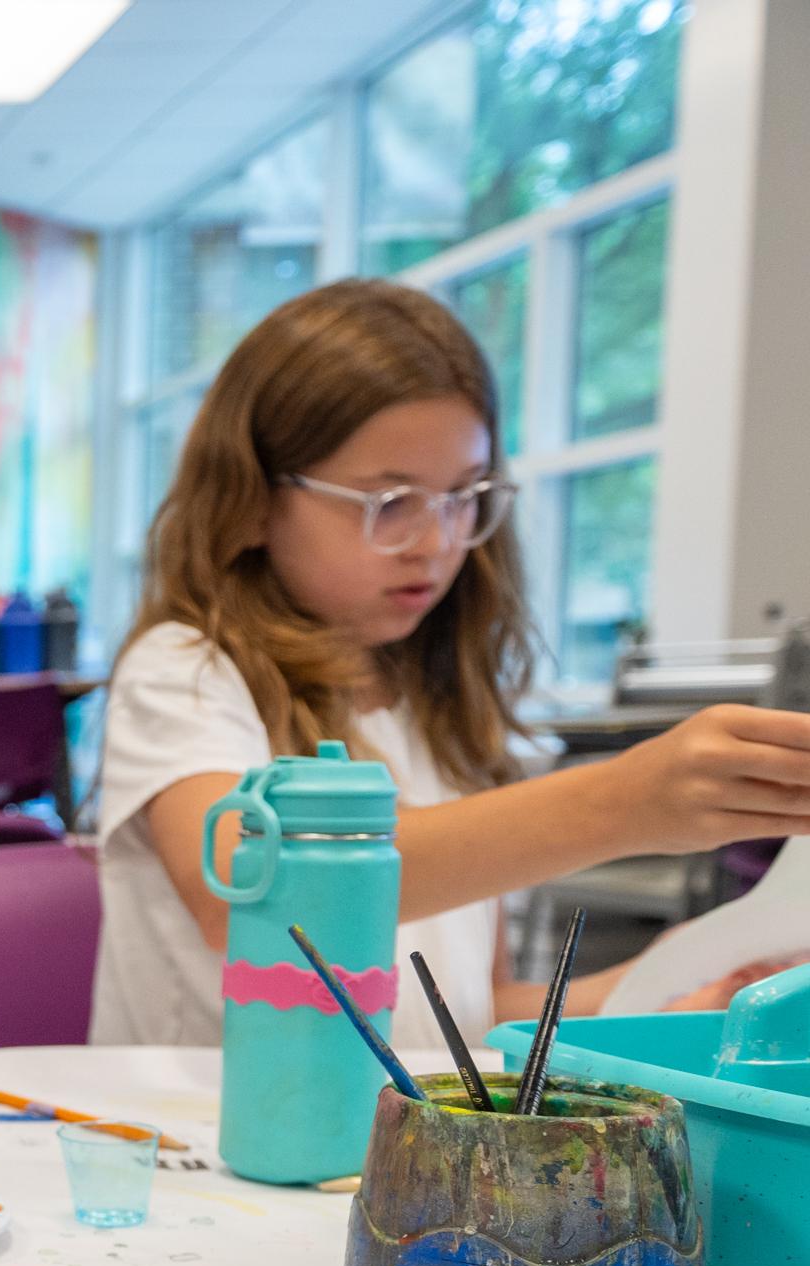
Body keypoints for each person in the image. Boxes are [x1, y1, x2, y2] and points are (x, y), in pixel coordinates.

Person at [94, 279, 810, 1051]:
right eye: (391, 500)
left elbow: (472, 1004)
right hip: (202, 1146)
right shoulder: (187, 670)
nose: (438, 543)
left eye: (464, 497)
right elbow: (241, 896)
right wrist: (626, 803)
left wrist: (668, 988)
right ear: (255, 498)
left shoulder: (439, 706)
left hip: (398, 1155)